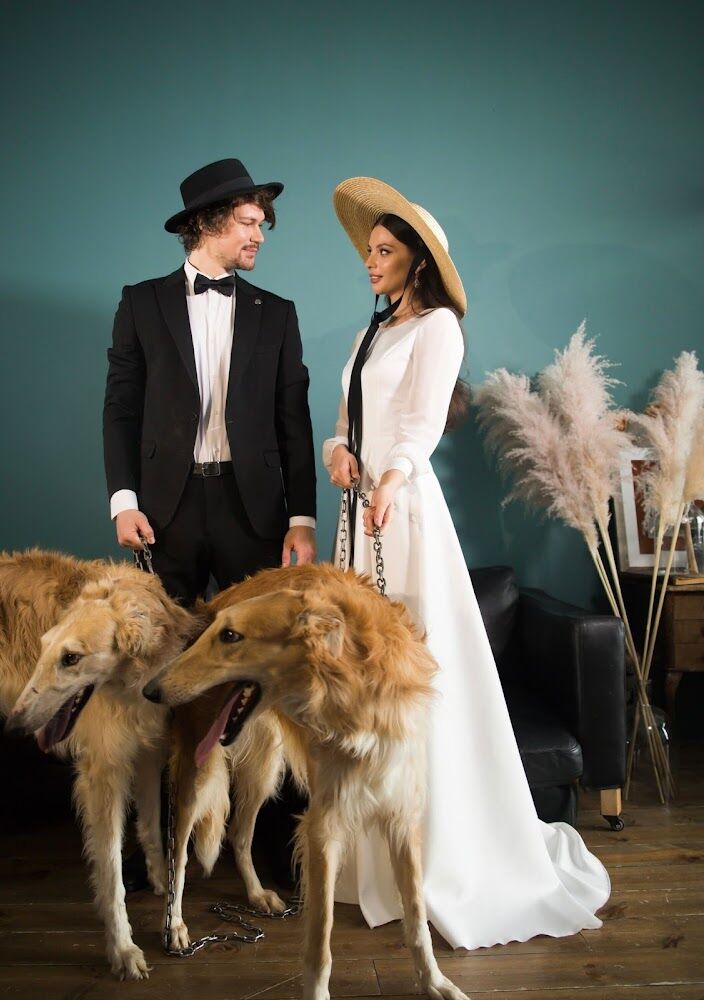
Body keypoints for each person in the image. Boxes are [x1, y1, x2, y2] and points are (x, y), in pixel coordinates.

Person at [323, 176, 610, 949]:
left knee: (413, 671)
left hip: (404, 511)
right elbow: (347, 419)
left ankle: (442, 852)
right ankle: (373, 857)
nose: (370, 261)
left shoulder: (438, 327)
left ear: (418, 261)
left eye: (384, 251)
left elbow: (418, 426)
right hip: (359, 515)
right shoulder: (370, 334)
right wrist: (338, 451)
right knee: (364, 677)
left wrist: (388, 478)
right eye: (369, 249)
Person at [103, 158, 316, 888]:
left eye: (261, 224)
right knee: (156, 669)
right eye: (250, 222)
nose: (260, 235)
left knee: (265, 670)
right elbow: (120, 408)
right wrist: (124, 501)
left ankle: (266, 843)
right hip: (163, 512)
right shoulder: (141, 303)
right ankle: (157, 845)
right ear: (207, 223)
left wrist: (301, 517)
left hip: (252, 511)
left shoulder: (276, 312)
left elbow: (294, 422)